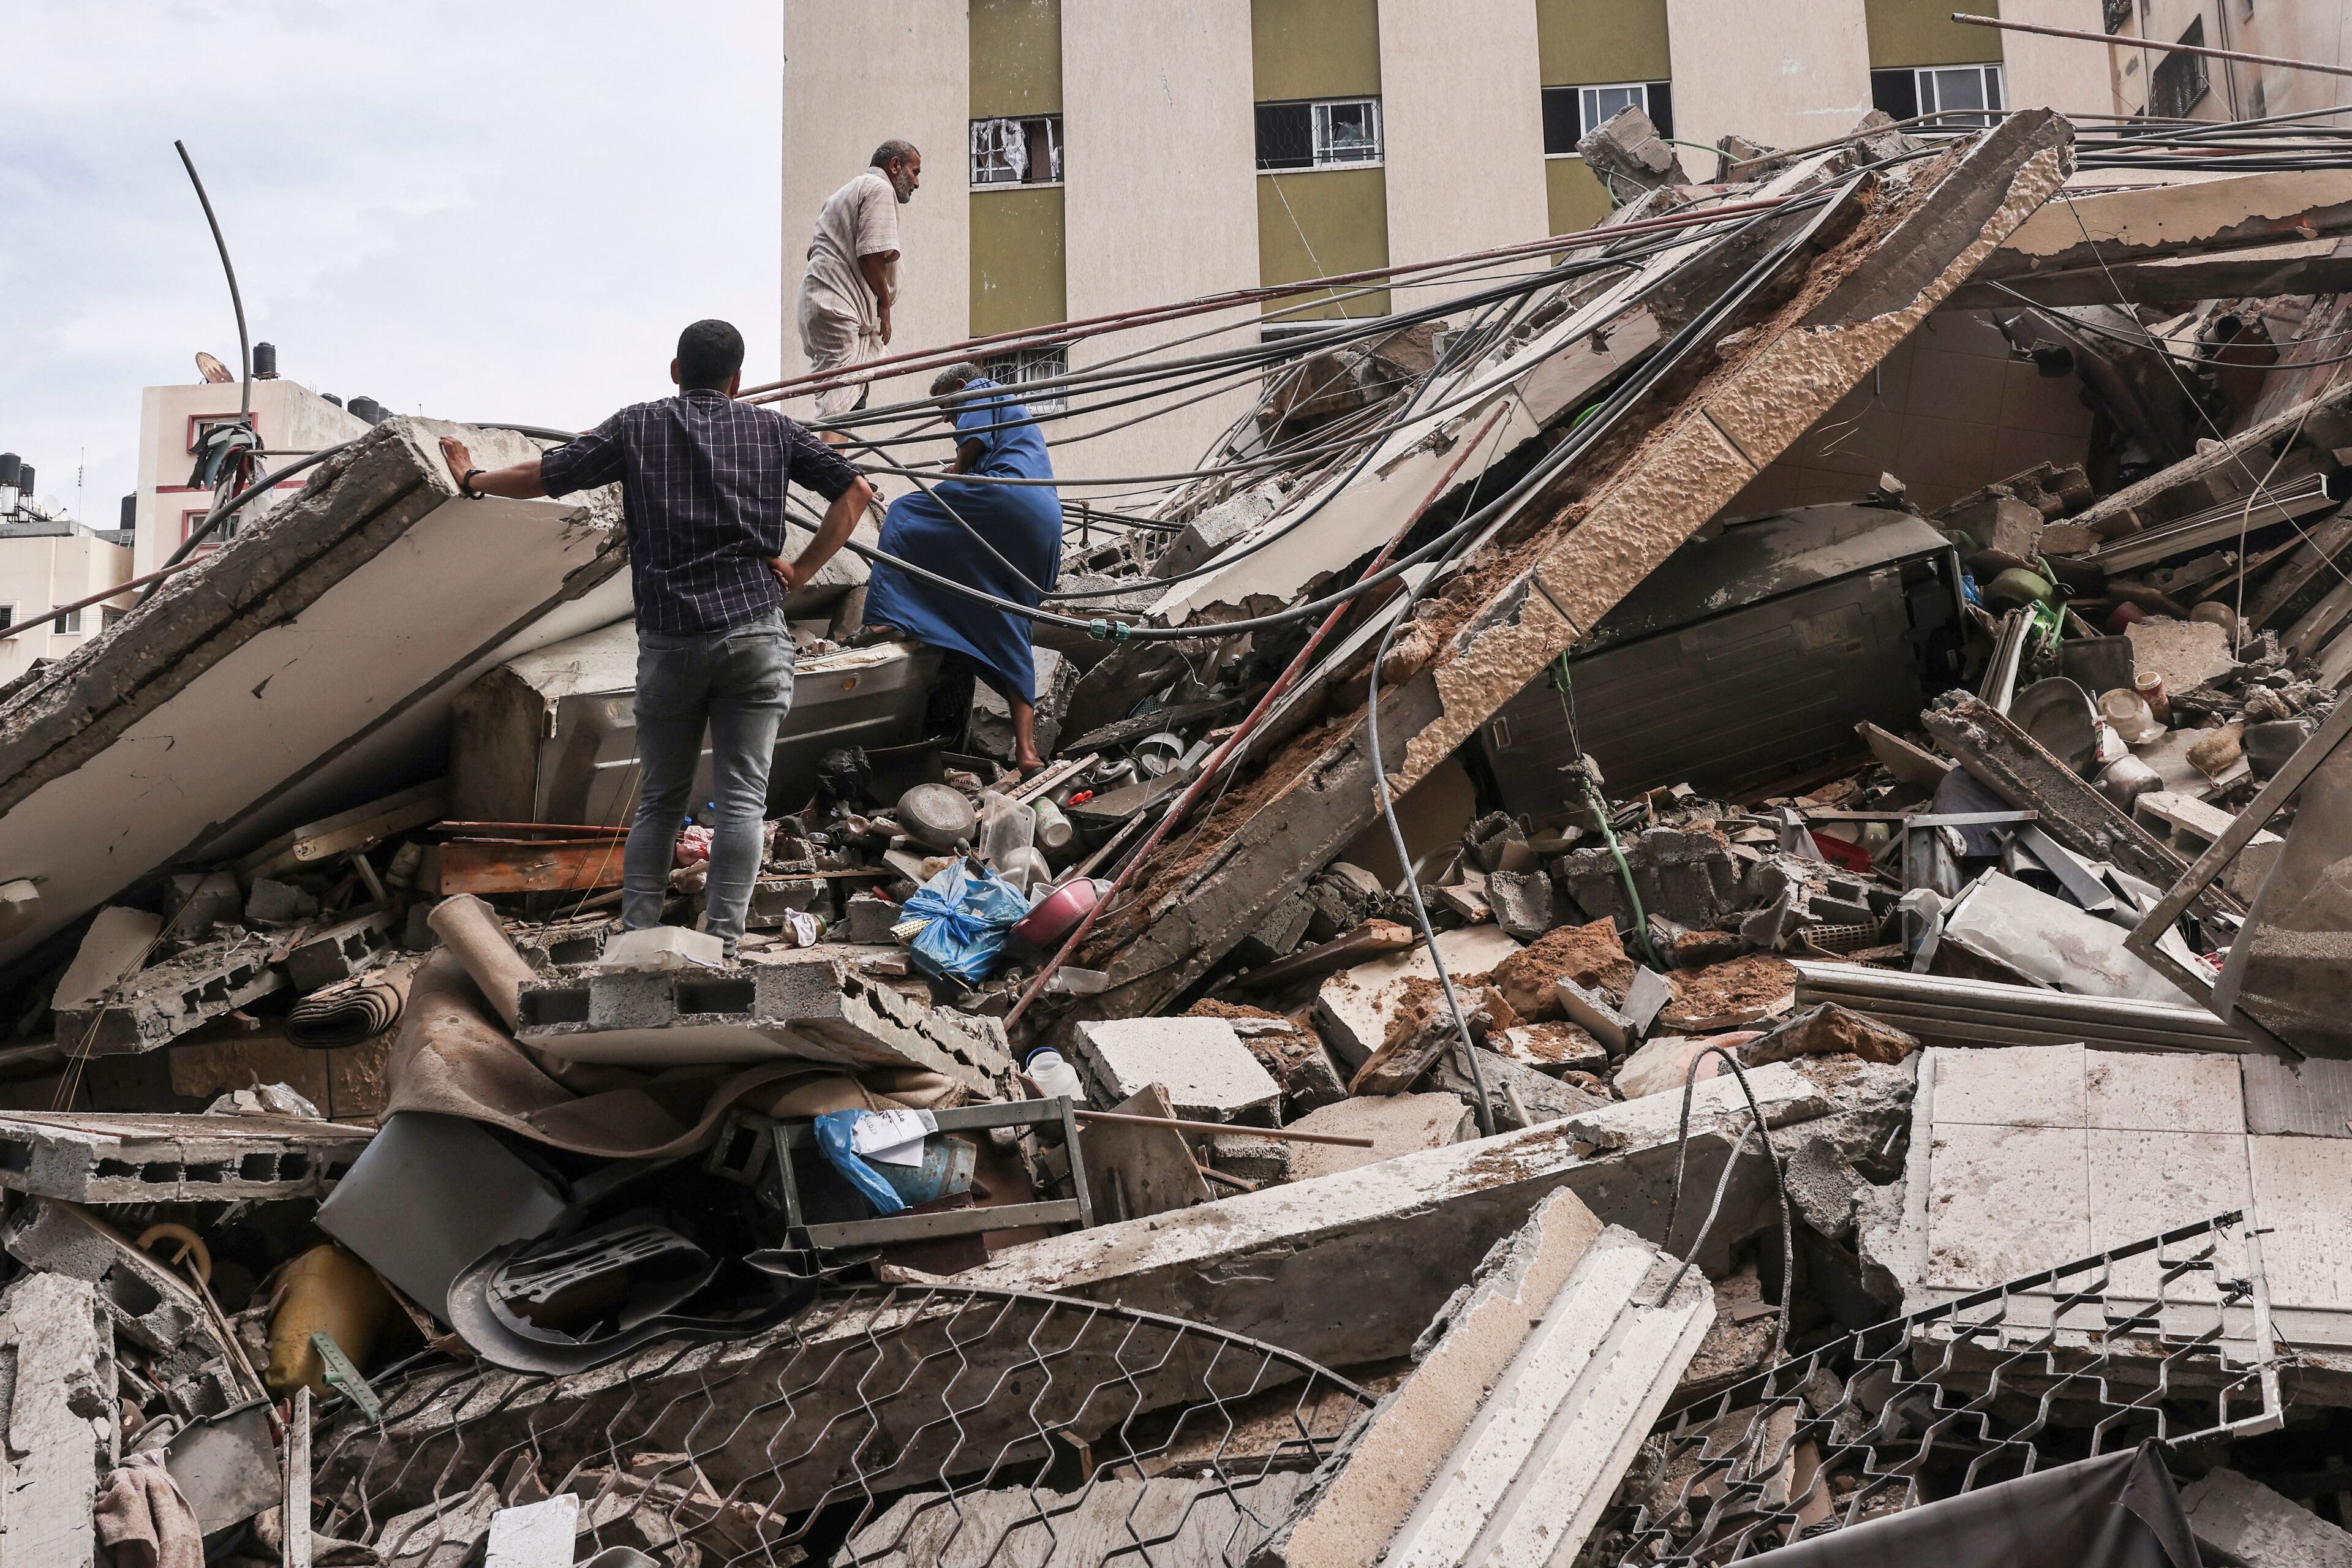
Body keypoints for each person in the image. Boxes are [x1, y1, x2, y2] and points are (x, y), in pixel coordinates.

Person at [437, 319, 870, 959]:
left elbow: (545, 475)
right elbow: (857, 491)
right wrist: (801, 573)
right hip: (754, 633)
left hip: (672, 642)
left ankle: (638, 940)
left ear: (675, 371)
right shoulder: (774, 429)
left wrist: (474, 478)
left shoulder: (637, 426)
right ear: (737, 381)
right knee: (743, 803)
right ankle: (721, 946)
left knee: (661, 801)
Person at [859, 362, 1062, 773]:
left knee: (904, 513)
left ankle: (882, 620)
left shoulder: (981, 388)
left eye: (946, 410)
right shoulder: (1014, 410)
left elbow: (971, 444)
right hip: (1044, 529)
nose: (946, 420)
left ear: (959, 386)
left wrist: (957, 470)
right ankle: (1027, 752)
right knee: (1010, 620)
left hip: (1005, 500)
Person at [797, 140, 921, 444]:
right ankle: (830, 469)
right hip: (839, 307)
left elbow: (813, 251)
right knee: (845, 397)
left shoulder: (842, 195)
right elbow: (870, 254)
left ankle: (832, 464)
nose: (917, 183)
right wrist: (885, 306)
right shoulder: (879, 189)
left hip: (821, 304)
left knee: (847, 393)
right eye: (914, 171)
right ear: (895, 166)